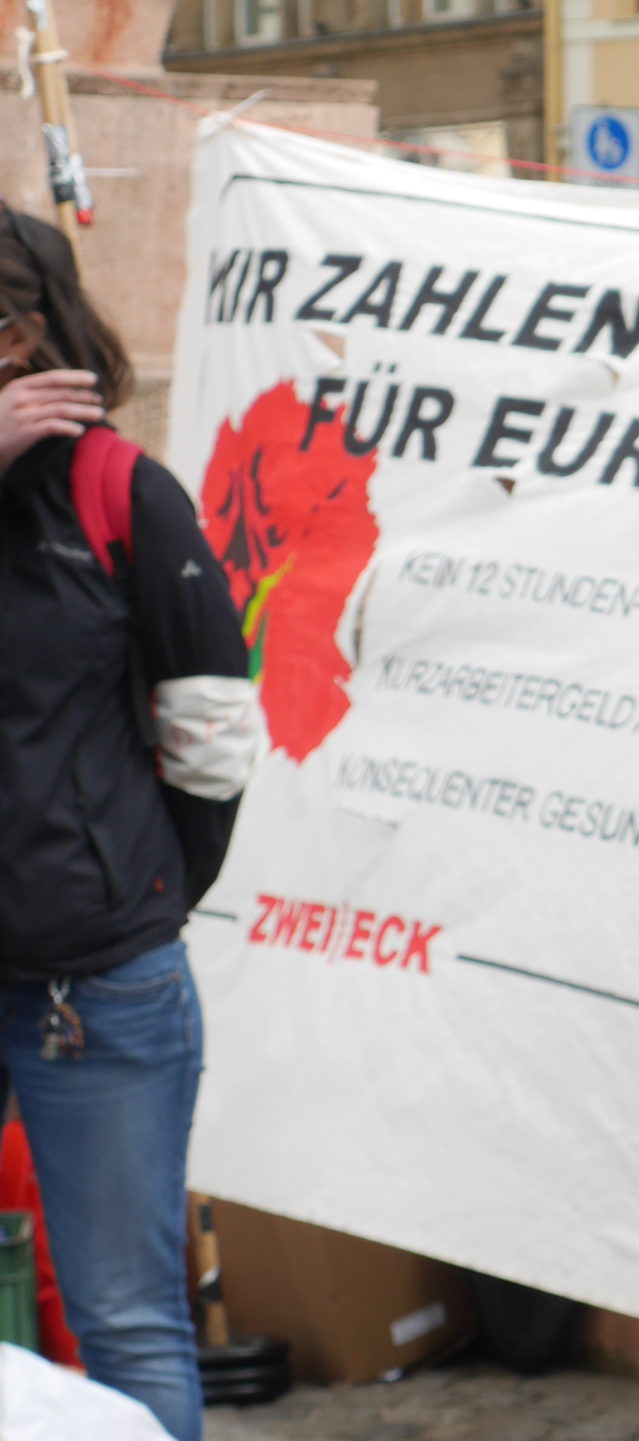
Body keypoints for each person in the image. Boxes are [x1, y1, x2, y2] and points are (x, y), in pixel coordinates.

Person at [0, 206, 261, 1441]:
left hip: (95, 981)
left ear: (41, 329)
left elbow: (213, 728)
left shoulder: (118, 489)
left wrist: (144, 894)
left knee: (130, 1320)